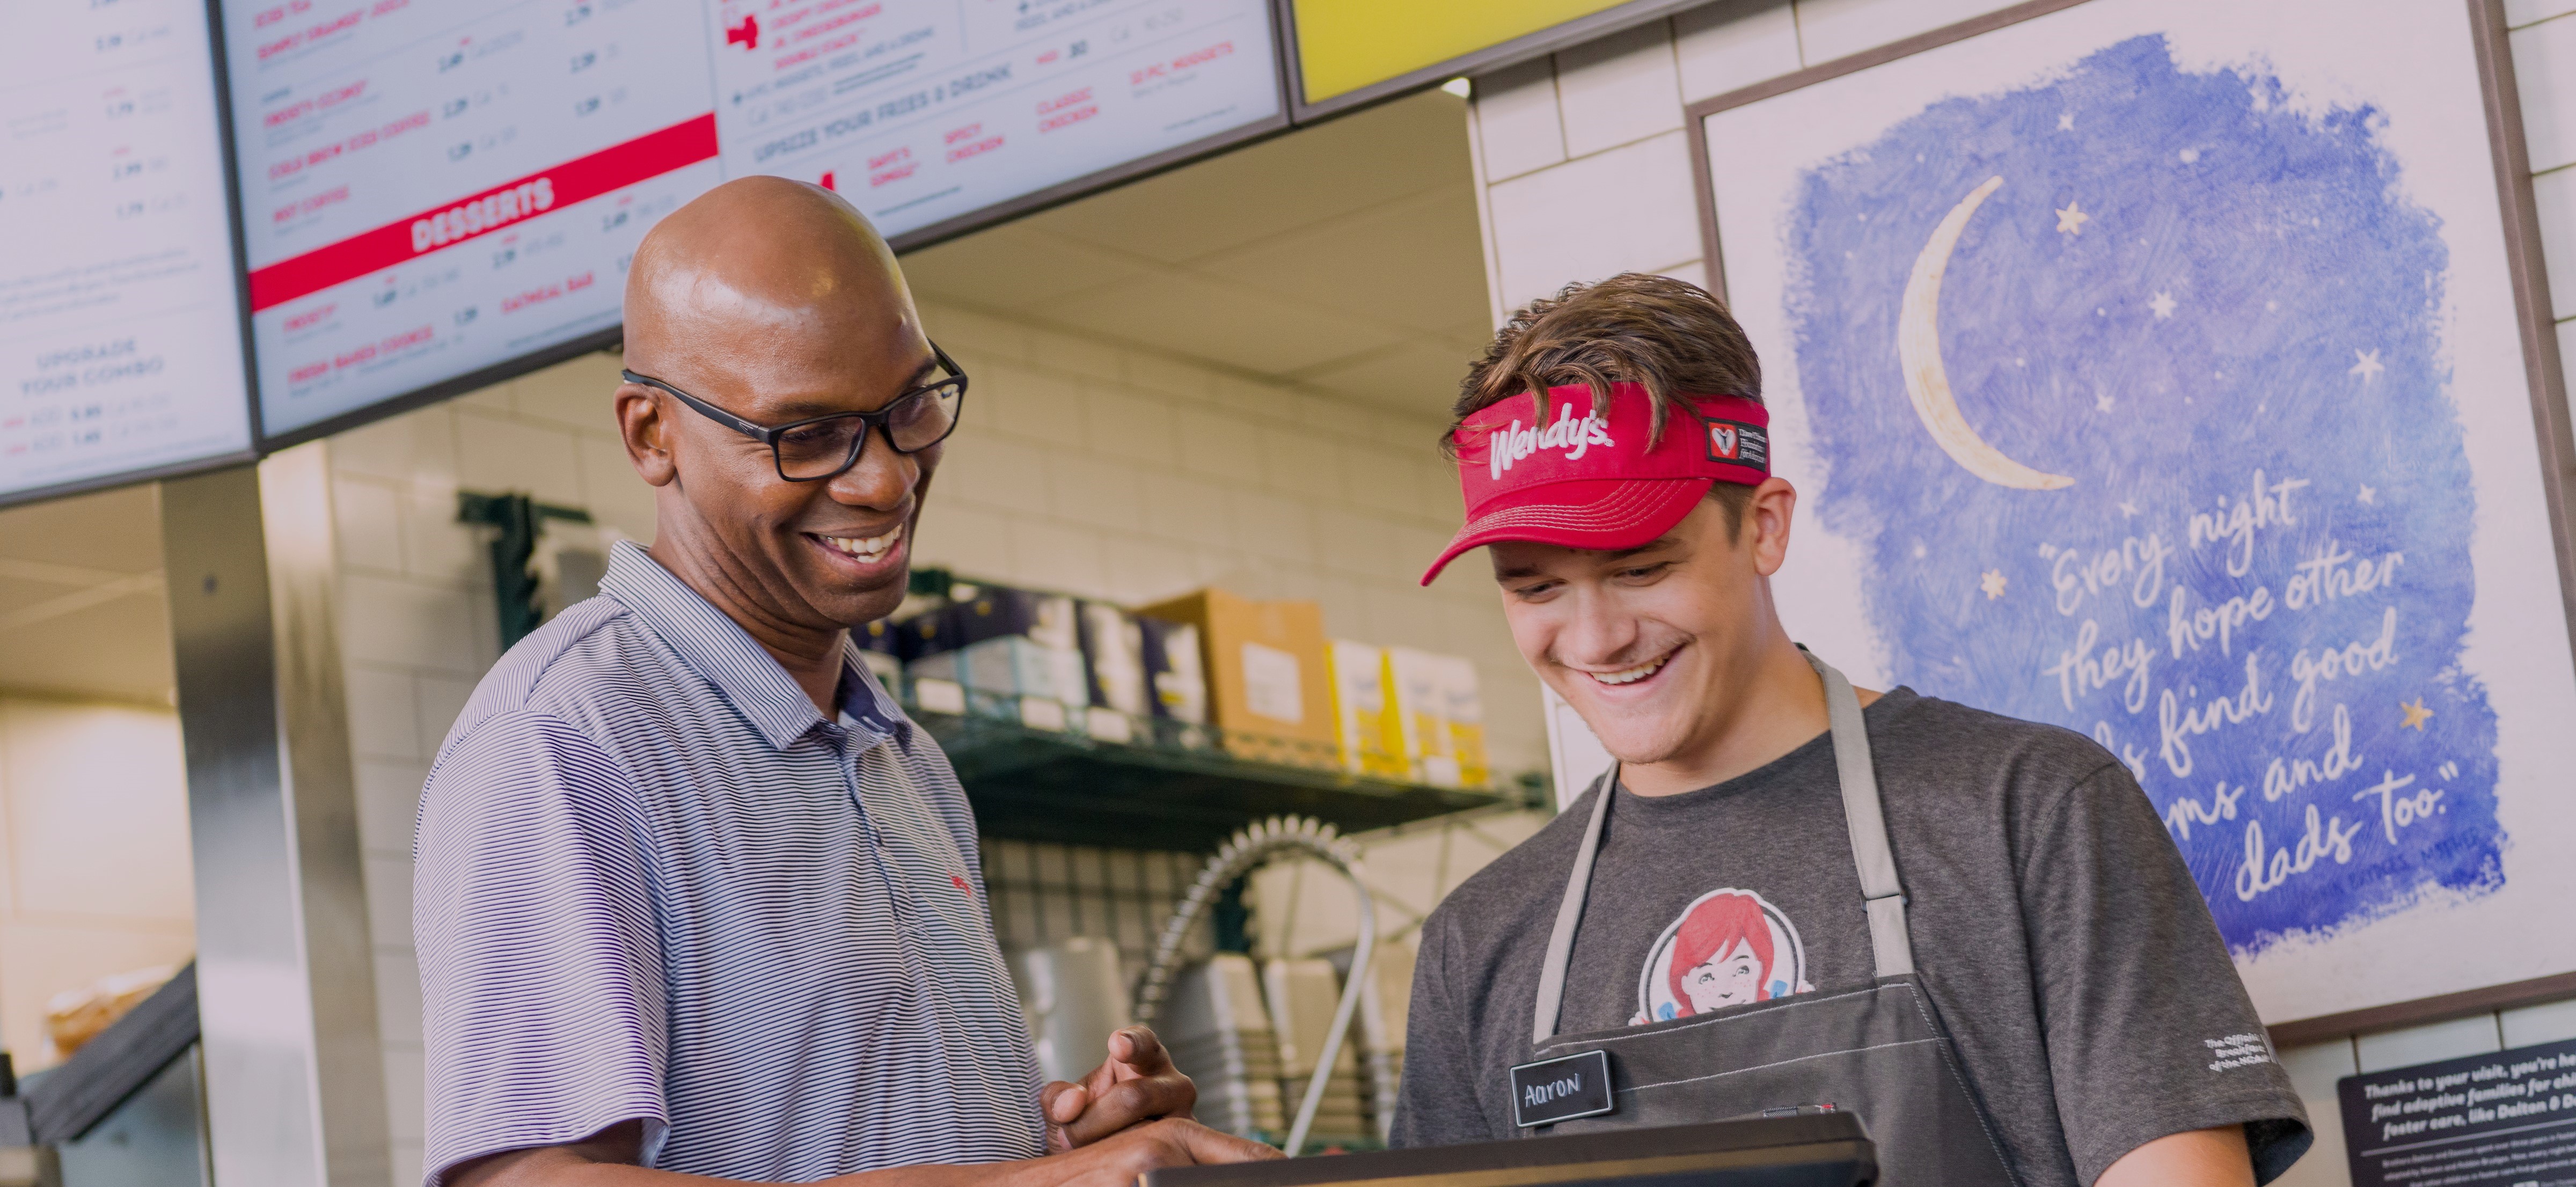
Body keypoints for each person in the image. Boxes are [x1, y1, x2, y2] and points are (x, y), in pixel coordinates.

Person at [412, 177, 1277, 1186]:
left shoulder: (903, 758)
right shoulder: (562, 739)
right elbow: (524, 1184)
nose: (885, 479)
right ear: (652, 434)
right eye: (806, 435)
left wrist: (1067, 1148)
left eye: (910, 406)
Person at [1390, 274, 2310, 1186]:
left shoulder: (2032, 812)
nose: (1595, 639)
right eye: (1535, 587)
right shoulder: (1482, 941)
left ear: (1763, 527)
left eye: (1639, 569)